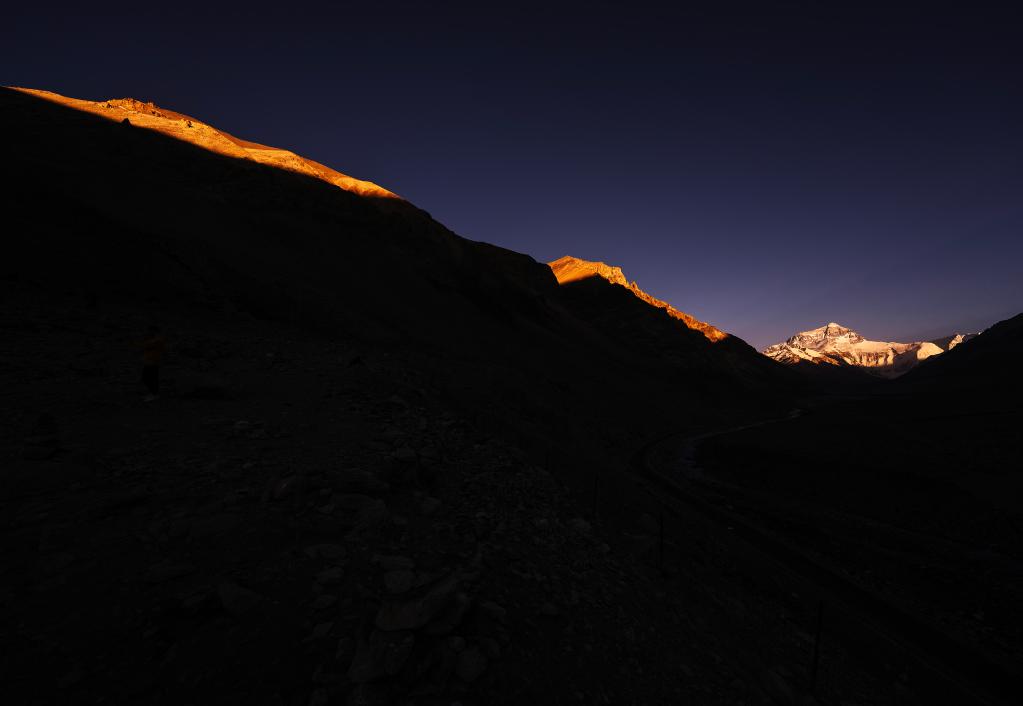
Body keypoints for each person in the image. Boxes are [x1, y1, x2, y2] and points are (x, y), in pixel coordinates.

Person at [139, 325, 167, 401]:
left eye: (150, 331)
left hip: (153, 362)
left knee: (150, 378)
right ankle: (153, 393)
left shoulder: (157, 340)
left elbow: (145, 346)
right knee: (148, 378)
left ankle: (154, 394)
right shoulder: (154, 340)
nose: (148, 332)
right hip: (149, 362)